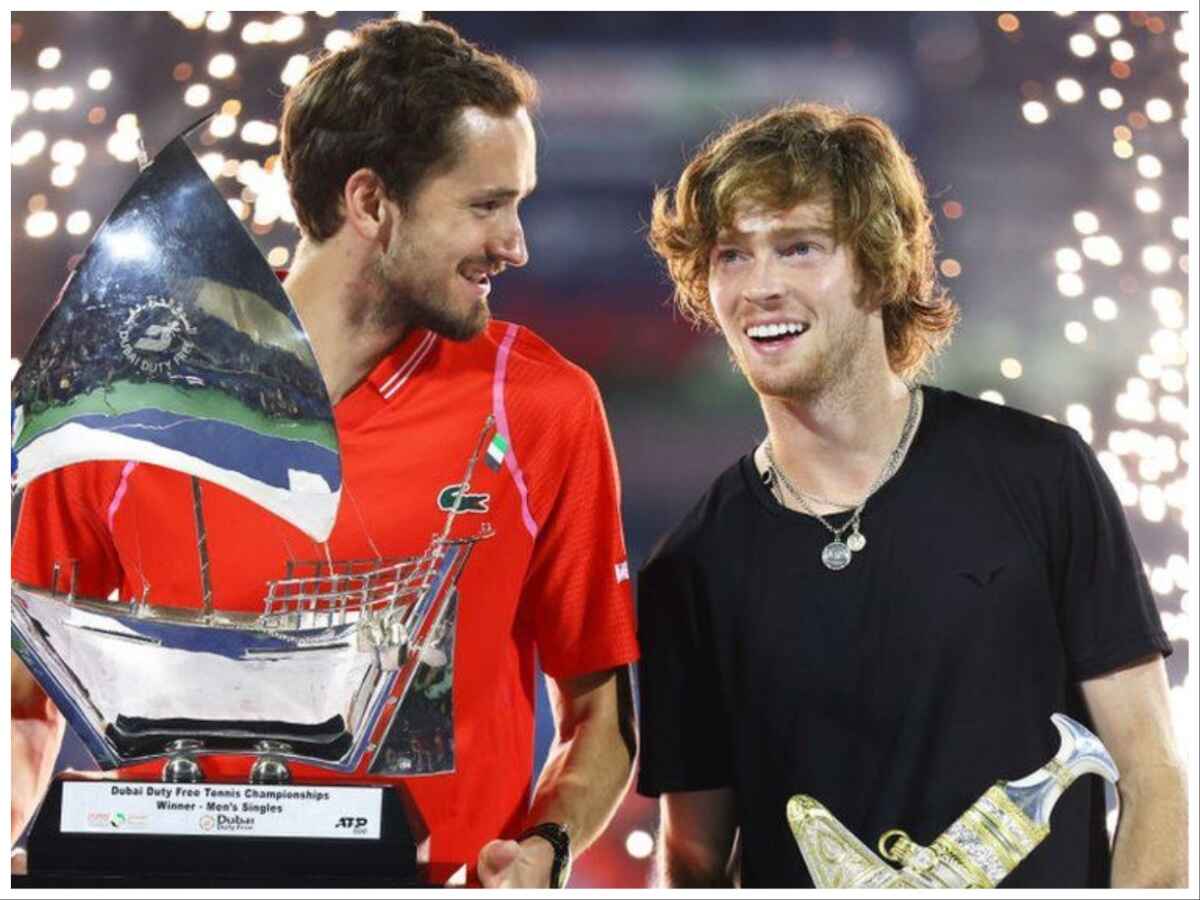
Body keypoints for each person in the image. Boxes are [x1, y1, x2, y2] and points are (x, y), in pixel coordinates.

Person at [11, 18, 639, 887]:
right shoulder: (119, 398)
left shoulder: (539, 404)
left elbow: (601, 716)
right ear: (371, 203)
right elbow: (20, 700)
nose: (516, 245)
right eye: (487, 206)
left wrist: (548, 850)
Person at [636, 101, 1186, 888]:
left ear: (878, 263)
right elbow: (692, 856)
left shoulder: (1040, 475)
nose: (760, 286)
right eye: (731, 255)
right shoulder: (690, 566)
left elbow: (1153, 779)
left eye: (798, 248)